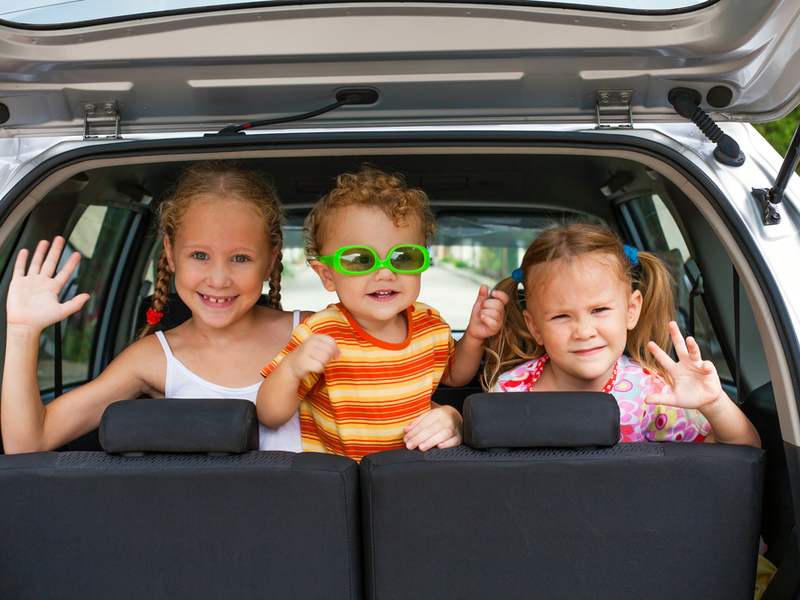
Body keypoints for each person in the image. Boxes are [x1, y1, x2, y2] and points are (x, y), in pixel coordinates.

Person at [1, 162, 307, 454]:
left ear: (269, 261)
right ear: (171, 255)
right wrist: (22, 332)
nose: (218, 279)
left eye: (240, 258)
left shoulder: (317, 333)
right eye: (199, 255)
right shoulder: (154, 358)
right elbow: (29, 442)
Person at [257, 167, 509, 461]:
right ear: (327, 276)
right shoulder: (322, 332)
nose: (386, 272)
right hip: (341, 479)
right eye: (359, 259)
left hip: (408, 472)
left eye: (404, 257)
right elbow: (269, 415)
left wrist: (474, 337)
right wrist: (292, 368)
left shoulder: (429, 324)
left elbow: (454, 375)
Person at [483, 223, 759, 447]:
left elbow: (742, 450)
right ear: (535, 328)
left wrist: (714, 403)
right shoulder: (510, 391)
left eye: (599, 309)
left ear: (631, 310)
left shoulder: (652, 395)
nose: (584, 331)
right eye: (561, 316)